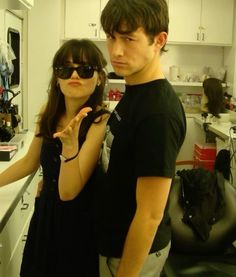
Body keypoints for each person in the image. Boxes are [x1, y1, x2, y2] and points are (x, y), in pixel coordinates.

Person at [0, 38, 109, 277]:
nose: (74, 76)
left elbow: (71, 191)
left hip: (79, 221)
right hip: (46, 213)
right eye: (65, 69)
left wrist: (69, 147)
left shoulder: (100, 121)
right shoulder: (48, 112)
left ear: (99, 77)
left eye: (85, 69)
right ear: (57, 78)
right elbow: (30, 162)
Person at [93, 0, 187, 276]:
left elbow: (150, 216)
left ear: (159, 40)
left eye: (128, 38)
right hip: (113, 243)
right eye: (111, 37)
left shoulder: (159, 113)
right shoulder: (136, 90)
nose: (115, 51)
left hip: (132, 255)